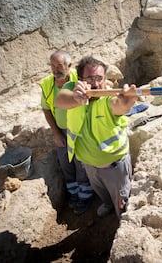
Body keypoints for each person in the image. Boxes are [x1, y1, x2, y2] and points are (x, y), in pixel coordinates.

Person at [55, 56, 137, 218]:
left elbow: (118, 105)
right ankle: (107, 204)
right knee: (102, 194)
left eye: (99, 78)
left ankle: (121, 218)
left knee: (121, 201)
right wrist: (75, 99)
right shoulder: (72, 89)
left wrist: (125, 104)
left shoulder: (107, 98)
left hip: (114, 168)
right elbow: (60, 100)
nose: (96, 83)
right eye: (90, 78)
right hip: (89, 166)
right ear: (80, 80)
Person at [39, 50, 93, 215]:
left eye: (60, 66)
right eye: (52, 65)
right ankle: (74, 194)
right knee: (66, 165)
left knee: (81, 165)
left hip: (80, 131)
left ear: (69, 66)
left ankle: (85, 198)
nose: (55, 69)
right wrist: (56, 133)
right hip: (62, 131)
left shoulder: (80, 79)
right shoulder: (48, 84)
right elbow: (46, 109)